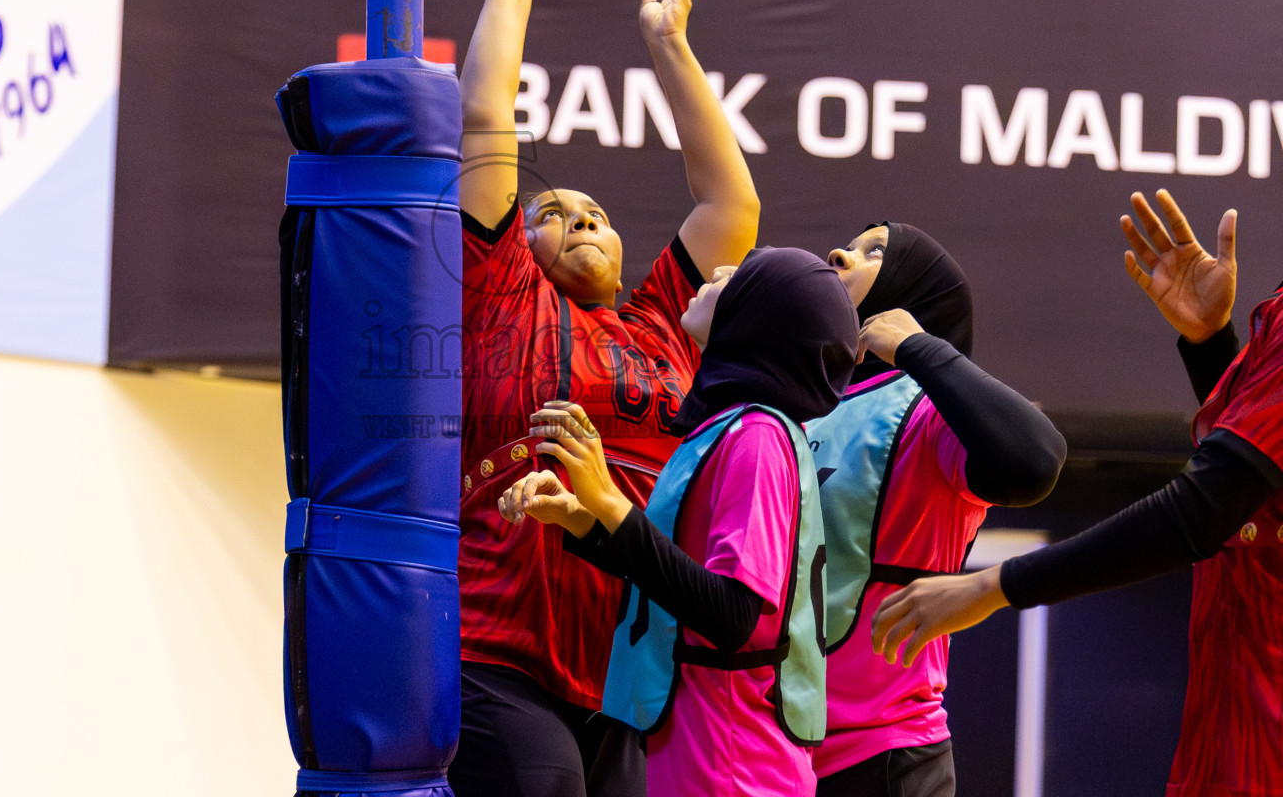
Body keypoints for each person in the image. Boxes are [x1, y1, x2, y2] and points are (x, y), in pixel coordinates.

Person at [453, 0, 760, 797]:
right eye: (554, 212)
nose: (581, 218)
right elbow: (485, 119)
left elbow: (730, 200)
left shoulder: (665, 321)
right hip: (500, 653)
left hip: (623, 682)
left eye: (596, 212)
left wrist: (669, 45)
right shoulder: (502, 292)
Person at [870, 189, 1283, 797]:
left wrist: (993, 585)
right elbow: (1258, 488)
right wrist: (1212, 349)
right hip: (1235, 725)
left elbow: (1204, 510)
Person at [499, 246, 861, 797]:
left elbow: (733, 615)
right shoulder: (732, 429)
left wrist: (613, 505)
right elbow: (678, 578)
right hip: (699, 743)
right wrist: (583, 519)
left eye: (737, 277)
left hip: (733, 761)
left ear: (757, 318)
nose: (717, 271)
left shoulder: (758, 439)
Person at [809, 222, 1067, 797]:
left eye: (873, 251)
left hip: (882, 753)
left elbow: (1037, 460)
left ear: (912, 295)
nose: (838, 254)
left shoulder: (931, 419)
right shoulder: (795, 407)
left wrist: (917, 347)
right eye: (850, 245)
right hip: (774, 749)